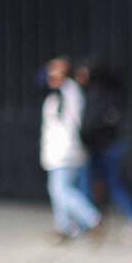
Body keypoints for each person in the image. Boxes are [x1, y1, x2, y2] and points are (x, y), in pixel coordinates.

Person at [75, 58, 132, 235]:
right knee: (89, 183)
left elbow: (95, 124)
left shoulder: (100, 95)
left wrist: (89, 138)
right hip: (97, 147)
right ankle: (88, 222)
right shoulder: (94, 93)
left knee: (114, 184)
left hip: (105, 147)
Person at [40, 56, 100, 239]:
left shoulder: (68, 92)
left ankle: (92, 218)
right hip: (58, 151)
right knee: (57, 189)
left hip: (65, 151)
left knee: (62, 190)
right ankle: (64, 226)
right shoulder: (58, 93)